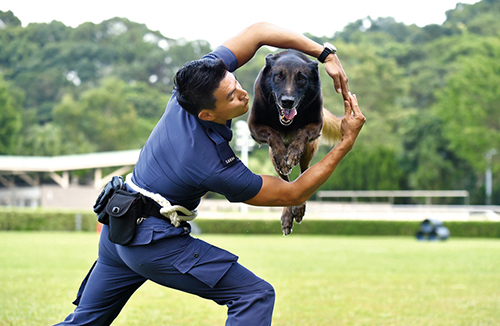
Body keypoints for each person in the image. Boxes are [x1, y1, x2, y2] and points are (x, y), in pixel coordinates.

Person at [54, 22, 366, 326]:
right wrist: (346, 142)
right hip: (150, 241)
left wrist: (325, 54)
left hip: (119, 226)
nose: (243, 94)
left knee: (85, 322)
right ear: (207, 114)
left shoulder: (193, 86)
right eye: (231, 97)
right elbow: (293, 194)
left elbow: (258, 32)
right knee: (254, 295)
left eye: (236, 84)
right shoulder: (209, 161)